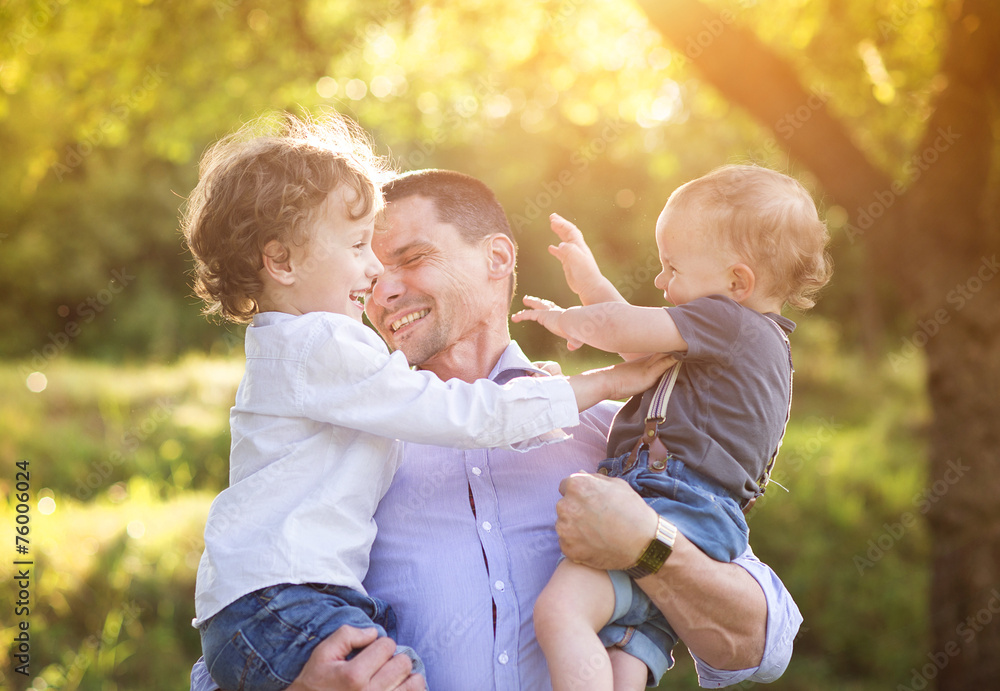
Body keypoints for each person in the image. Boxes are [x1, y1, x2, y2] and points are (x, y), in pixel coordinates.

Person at [191, 168, 804, 691]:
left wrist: (647, 547)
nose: (385, 288)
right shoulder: (342, 445)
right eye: (372, 271)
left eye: (412, 258)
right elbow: (245, 622)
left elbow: (757, 643)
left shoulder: (614, 433)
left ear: (498, 258)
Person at [513, 164, 832, 690]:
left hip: (669, 504)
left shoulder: (730, 322)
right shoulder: (734, 344)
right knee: (618, 661)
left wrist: (566, 319)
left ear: (737, 281)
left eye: (671, 268)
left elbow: (623, 326)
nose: (661, 282)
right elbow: (639, 350)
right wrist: (590, 282)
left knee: (559, 614)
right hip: (700, 527)